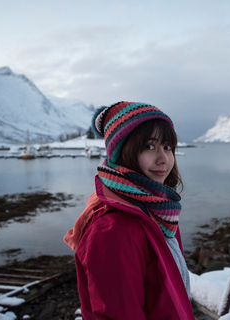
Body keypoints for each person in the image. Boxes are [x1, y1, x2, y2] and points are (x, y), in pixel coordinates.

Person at [63, 101, 194, 319]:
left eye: (168, 147)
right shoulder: (115, 229)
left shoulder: (157, 209)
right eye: (149, 147)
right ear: (123, 152)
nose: (163, 159)